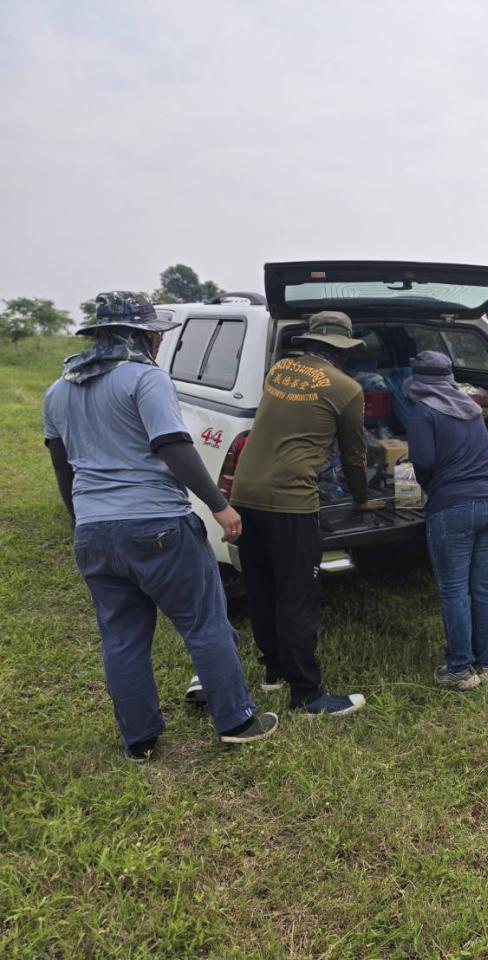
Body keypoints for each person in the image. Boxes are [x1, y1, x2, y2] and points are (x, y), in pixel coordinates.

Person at [43, 291, 278, 761]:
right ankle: (236, 721)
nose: (158, 341)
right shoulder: (146, 379)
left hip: (94, 531)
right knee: (205, 623)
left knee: (122, 637)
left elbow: (62, 466)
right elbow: (172, 444)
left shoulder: (59, 389)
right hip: (156, 524)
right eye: (155, 335)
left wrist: (80, 521)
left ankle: (140, 740)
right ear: (145, 336)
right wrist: (220, 506)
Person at [227, 311, 380, 717]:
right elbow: (354, 455)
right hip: (291, 501)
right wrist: (361, 498)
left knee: (262, 587)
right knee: (298, 596)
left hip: (245, 493)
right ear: (343, 349)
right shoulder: (347, 388)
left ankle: (274, 670)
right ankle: (307, 695)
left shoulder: (278, 371)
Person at [406, 350, 488, 691]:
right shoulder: (472, 410)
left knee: (454, 589)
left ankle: (460, 669)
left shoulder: (424, 412)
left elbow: (423, 462)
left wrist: (432, 490)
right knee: (484, 587)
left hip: (454, 508)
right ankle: (484, 664)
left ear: (417, 382)